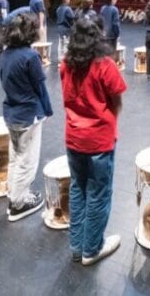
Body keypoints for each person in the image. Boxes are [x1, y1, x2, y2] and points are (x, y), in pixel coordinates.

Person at [61, 17, 127, 265]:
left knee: (78, 188)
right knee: (99, 193)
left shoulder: (66, 64)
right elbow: (117, 99)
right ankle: (92, 248)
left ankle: (77, 246)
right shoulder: (104, 64)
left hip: (74, 136)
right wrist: (109, 122)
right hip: (99, 139)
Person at [0, 12, 54, 221]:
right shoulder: (31, 56)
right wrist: (48, 110)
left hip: (11, 112)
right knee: (27, 161)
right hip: (28, 113)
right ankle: (19, 203)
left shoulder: (6, 53)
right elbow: (40, 87)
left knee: (16, 156)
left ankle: (14, 193)